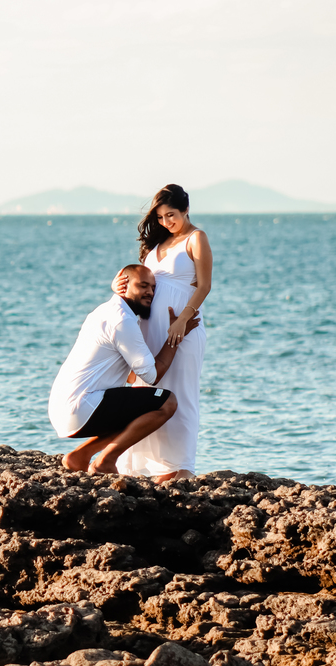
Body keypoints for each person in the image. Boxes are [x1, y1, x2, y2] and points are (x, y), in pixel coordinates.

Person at [49, 264, 201, 474]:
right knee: (167, 402)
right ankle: (105, 461)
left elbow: (130, 378)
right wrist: (176, 335)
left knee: (136, 404)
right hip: (82, 407)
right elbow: (153, 376)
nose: (150, 293)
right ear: (124, 285)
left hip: (63, 409)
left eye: (153, 288)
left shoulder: (103, 311)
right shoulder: (122, 320)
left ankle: (80, 455)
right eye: (143, 286)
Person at [113, 184, 212, 482]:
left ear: (186, 210)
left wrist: (182, 320)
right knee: (146, 392)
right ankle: (153, 466)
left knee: (182, 393)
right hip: (148, 328)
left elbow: (205, 286)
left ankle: (182, 467)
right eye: (160, 217)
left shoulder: (196, 238)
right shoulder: (157, 243)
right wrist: (117, 287)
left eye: (171, 215)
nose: (166, 222)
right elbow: (138, 281)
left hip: (182, 329)